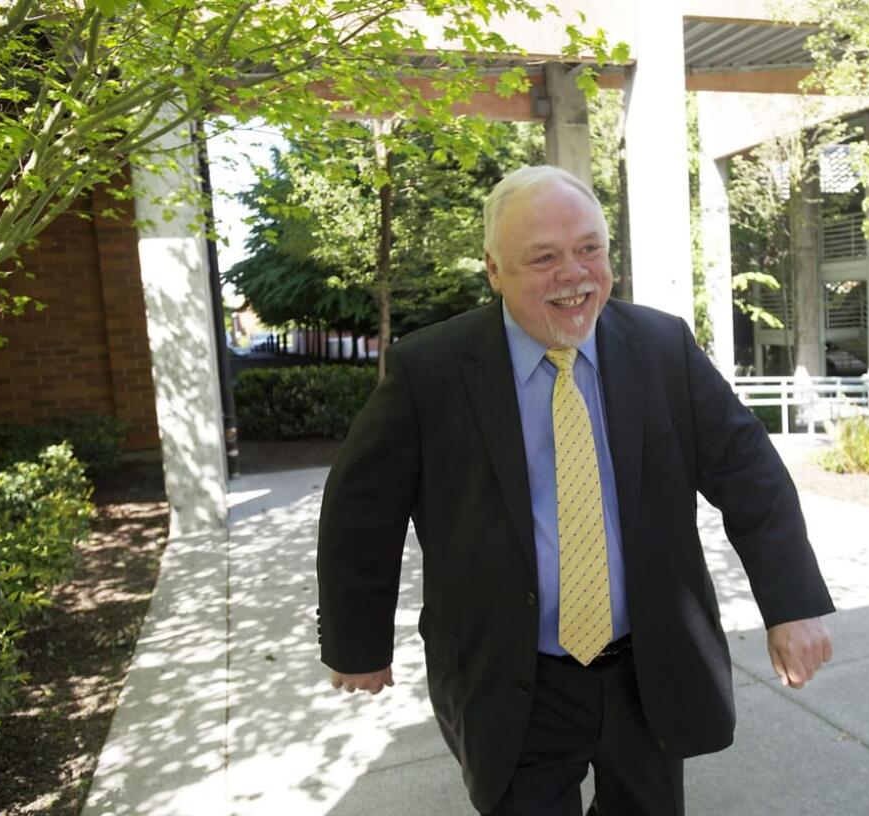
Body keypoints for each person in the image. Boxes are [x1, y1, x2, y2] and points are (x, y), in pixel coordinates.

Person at [317, 165, 834, 816]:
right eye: (544, 257)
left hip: (644, 672)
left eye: (590, 248)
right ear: (494, 270)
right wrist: (357, 644)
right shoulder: (433, 370)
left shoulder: (660, 346)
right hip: (511, 674)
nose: (575, 273)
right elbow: (362, 512)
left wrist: (791, 604)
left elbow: (750, 472)